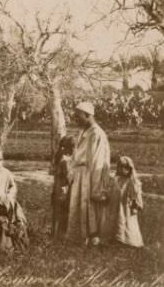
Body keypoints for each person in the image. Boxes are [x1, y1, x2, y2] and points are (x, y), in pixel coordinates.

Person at [66, 101, 111, 246]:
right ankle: (79, 237)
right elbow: (75, 155)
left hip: (89, 175)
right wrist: (71, 172)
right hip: (79, 174)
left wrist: (96, 185)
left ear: (88, 115)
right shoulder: (82, 131)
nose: (76, 119)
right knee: (78, 206)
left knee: (90, 208)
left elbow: (98, 161)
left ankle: (92, 238)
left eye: (78, 116)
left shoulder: (97, 134)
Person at [106, 156, 144, 248]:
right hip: (115, 205)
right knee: (115, 219)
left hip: (125, 206)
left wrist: (135, 203)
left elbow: (135, 194)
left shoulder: (131, 181)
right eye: (120, 167)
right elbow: (111, 190)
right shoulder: (116, 180)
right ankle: (114, 237)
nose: (123, 170)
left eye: (125, 168)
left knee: (126, 221)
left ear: (130, 169)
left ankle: (126, 239)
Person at [52, 136, 75, 238]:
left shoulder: (60, 158)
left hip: (58, 188)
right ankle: (61, 235)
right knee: (64, 211)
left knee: (57, 211)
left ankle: (55, 233)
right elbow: (69, 178)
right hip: (64, 190)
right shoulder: (66, 161)